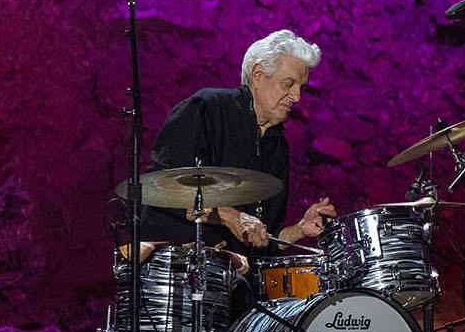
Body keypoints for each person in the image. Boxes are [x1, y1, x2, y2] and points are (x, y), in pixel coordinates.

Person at [144, 29, 336, 270]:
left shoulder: (277, 145)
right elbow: (164, 188)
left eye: (302, 87)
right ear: (258, 75)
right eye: (288, 84)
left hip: (232, 282)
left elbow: (265, 239)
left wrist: (299, 230)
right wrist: (230, 215)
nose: (297, 96)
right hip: (176, 271)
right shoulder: (206, 108)